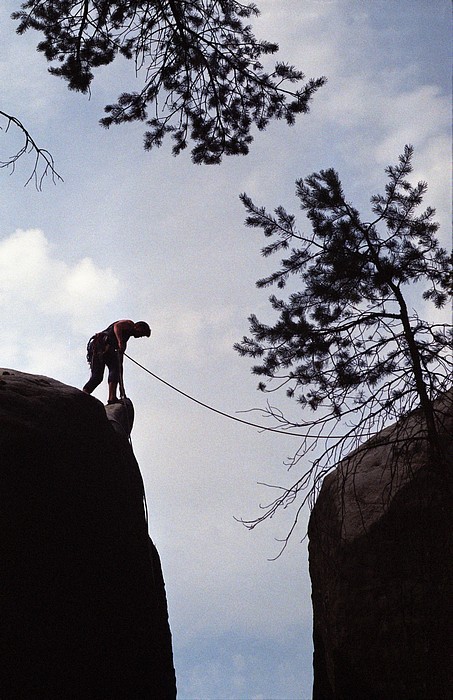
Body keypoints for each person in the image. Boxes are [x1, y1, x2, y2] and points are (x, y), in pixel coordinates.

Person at [83, 319, 151, 404]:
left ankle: (111, 397)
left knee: (114, 370)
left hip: (103, 348)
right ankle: (84, 394)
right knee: (97, 377)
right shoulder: (129, 324)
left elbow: (119, 366)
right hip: (100, 345)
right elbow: (117, 326)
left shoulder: (125, 340)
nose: (140, 336)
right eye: (142, 333)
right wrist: (119, 342)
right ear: (137, 326)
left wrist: (122, 391)